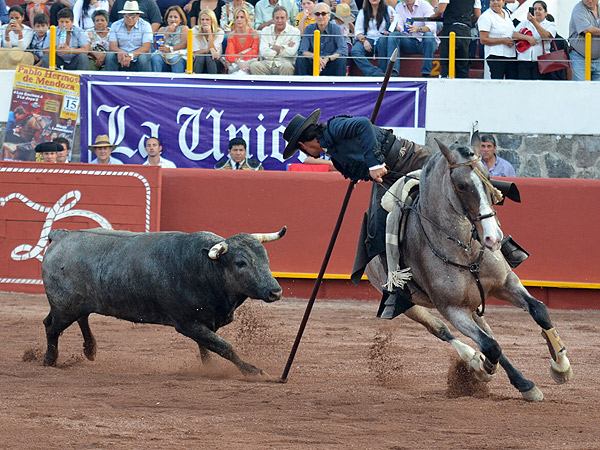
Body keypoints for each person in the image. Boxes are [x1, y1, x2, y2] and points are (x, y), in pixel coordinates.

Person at [283, 109, 431, 318]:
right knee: (375, 225)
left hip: (410, 159)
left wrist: (374, 163)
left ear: (302, 145)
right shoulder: (335, 157)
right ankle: (397, 284)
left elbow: (363, 124)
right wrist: (359, 173)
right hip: (388, 180)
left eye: (301, 151)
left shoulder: (334, 127)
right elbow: (361, 167)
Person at [431, 0, 481, 78]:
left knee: (446, 64)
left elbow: (440, 11)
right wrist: (466, 20)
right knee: (463, 67)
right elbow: (477, 15)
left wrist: (434, 14)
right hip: (465, 30)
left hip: (450, 28)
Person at [296, 3, 348, 76]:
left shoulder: (336, 29)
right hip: (313, 63)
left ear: (329, 15)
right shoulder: (309, 29)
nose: (320, 16)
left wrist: (327, 58)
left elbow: (342, 50)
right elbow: (303, 50)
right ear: (314, 16)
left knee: (341, 60)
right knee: (300, 59)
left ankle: (338, 86)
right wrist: (315, 57)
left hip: (330, 63)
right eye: (317, 14)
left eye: (323, 13)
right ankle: (302, 85)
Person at [390, 0, 439, 77]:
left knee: (428, 36)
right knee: (394, 35)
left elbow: (432, 27)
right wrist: (394, 24)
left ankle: (426, 73)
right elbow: (400, 28)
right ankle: (393, 72)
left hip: (424, 42)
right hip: (409, 42)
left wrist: (418, 29)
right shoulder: (399, 6)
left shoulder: (425, 5)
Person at [250, 6, 300, 75]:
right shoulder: (266, 30)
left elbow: (292, 52)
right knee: (254, 66)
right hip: (267, 63)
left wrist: (273, 48)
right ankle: (265, 85)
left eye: (282, 18)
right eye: (277, 18)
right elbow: (263, 51)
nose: (279, 21)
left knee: (287, 67)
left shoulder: (295, 32)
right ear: (273, 19)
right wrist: (283, 48)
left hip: (284, 63)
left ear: (287, 19)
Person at [513, 1, 556, 80]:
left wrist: (534, 22)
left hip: (541, 60)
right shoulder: (525, 22)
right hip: (524, 58)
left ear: (545, 13)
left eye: (540, 9)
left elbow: (546, 36)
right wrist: (527, 38)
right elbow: (514, 35)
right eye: (535, 9)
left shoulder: (550, 25)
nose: (537, 11)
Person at [106, 1, 153, 72]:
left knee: (144, 57)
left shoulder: (146, 26)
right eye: (127, 15)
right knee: (110, 56)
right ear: (123, 15)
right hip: (121, 56)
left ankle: (145, 81)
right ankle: (109, 81)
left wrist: (131, 56)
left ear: (138, 15)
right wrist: (120, 51)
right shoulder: (115, 25)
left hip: (137, 56)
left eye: (133, 15)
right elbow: (112, 46)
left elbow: (146, 47)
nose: (130, 18)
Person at [352, 0, 396, 77]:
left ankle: (384, 72)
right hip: (368, 38)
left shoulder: (388, 9)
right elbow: (358, 31)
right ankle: (375, 72)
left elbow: (395, 23)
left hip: (383, 38)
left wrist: (389, 30)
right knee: (355, 51)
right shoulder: (362, 12)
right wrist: (364, 41)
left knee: (383, 41)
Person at [477, 0, 517, 79]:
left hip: (511, 54)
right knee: (497, 81)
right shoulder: (486, 16)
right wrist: (503, 41)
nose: (495, 2)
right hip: (496, 55)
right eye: (492, 0)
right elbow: (483, 39)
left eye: (498, 0)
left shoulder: (506, 13)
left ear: (503, 2)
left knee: (512, 82)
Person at [152, 6, 190, 73]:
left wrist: (170, 49)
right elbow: (156, 46)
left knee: (175, 60)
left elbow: (185, 44)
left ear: (181, 19)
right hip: (164, 56)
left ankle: (177, 81)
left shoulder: (184, 28)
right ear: (167, 19)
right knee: (156, 58)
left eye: (175, 17)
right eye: (170, 17)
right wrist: (166, 33)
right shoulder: (162, 29)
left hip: (178, 55)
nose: (172, 19)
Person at [569, 0, 600, 81]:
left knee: (596, 91)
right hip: (580, 58)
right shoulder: (578, 9)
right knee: (581, 89)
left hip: (598, 59)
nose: (590, 0)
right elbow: (587, 30)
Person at [223, 7, 260, 74]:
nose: (239, 19)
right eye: (237, 17)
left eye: (242, 17)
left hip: (250, 62)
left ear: (247, 19)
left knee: (241, 73)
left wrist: (239, 57)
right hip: (236, 63)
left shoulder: (254, 34)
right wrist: (238, 62)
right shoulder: (232, 35)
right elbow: (229, 55)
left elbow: (254, 52)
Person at [193, 9, 225, 74]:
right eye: (202, 19)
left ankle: (213, 80)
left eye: (207, 20)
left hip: (215, 62)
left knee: (209, 57)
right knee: (201, 56)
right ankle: (195, 80)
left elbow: (214, 54)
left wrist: (210, 34)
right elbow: (195, 52)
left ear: (212, 21)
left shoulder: (220, 32)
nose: (204, 22)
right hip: (198, 61)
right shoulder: (194, 30)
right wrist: (209, 50)